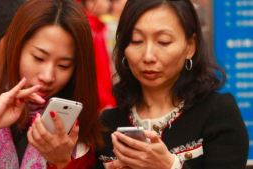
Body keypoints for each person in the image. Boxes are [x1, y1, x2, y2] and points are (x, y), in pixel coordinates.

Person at [96, 0, 249, 169]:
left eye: (163, 42)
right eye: (136, 41)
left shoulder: (217, 112)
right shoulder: (107, 123)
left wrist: (169, 166)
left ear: (190, 45)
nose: (148, 56)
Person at [0, 0, 104, 168]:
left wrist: (62, 162)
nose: (48, 76)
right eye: (38, 58)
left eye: (63, 66)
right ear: (12, 47)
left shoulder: (76, 130)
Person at [81, 0, 116, 111]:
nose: (109, 4)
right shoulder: (86, 27)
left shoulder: (98, 26)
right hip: (95, 99)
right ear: (90, 2)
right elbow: (95, 68)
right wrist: (103, 100)